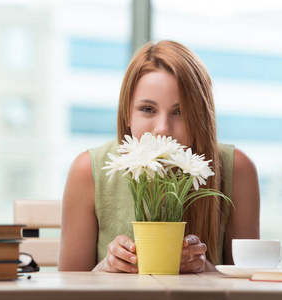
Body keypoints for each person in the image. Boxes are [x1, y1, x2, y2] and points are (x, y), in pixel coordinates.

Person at [58, 40, 260, 273]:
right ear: (126, 113)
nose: (163, 128)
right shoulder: (88, 170)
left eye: (180, 112)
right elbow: (67, 287)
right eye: (147, 109)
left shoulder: (237, 169)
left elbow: (249, 286)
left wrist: (205, 268)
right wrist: (105, 267)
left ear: (201, 118)